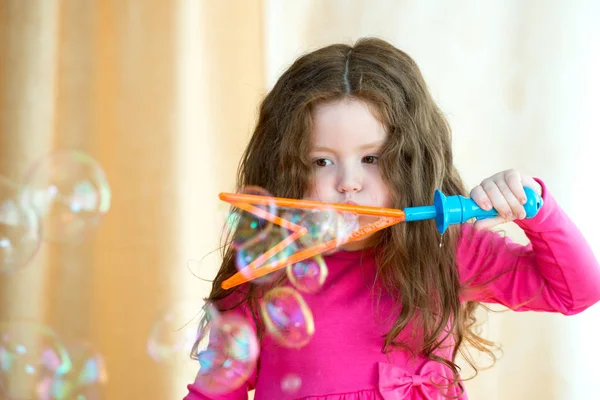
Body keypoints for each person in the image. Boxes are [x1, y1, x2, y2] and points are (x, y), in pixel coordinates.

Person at [183, 37, 600, 399]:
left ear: (411, 161)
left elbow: (576, 291)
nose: (349, 183)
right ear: (285, 170)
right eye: (321, 161)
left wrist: (536, 210)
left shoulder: (448, 249)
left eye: (372, 158)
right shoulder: (262, 276)